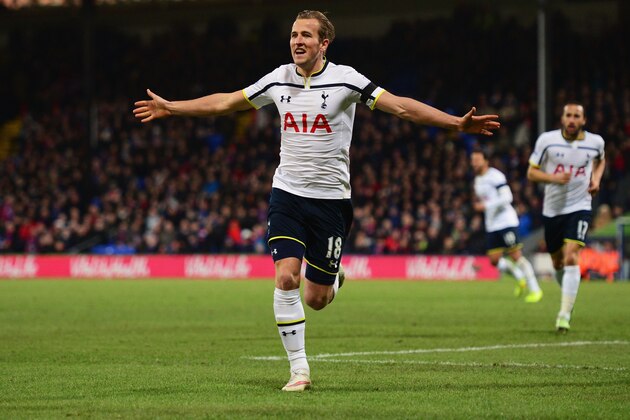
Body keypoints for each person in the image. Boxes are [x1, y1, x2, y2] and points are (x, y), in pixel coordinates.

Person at [133, 10, 500, 391]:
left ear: (324, 43)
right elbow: (227, 102)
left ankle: (333, 277)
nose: (297, 41)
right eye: (293, 35)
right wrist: (171, 107)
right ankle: (299, 370)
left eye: (306, 35)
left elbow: (402, 107)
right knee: (286, 277)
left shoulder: (347, 80)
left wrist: (455, 123)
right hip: (287, 195)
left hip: (330, 203)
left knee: (317, 299)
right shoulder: (279, 78)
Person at [527, 103, 605, 333]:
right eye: (568, 116)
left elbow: (601, 160)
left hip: (580, 206)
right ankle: (568, 295)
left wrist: (597, 179)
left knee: (572, 257)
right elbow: (531, 172)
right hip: (552, 210)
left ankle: (564, 314)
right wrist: (552, 177)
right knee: (558, 263)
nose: (572, 120)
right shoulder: (547, 141)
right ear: (562, 119)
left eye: (576, 116)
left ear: (583, 120)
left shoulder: (595, 142)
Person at [470, 149, 542, 302]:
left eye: (477, 160)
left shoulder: (495, 176)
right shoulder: (477, 180)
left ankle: (535, 289)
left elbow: (507, 197)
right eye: (473, 160)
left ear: (485, 161)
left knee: (516, 256)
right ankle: (519, 277)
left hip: (506, 222)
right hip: (492, 225)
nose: (474, 163)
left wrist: (486, 205)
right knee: (494, 260)